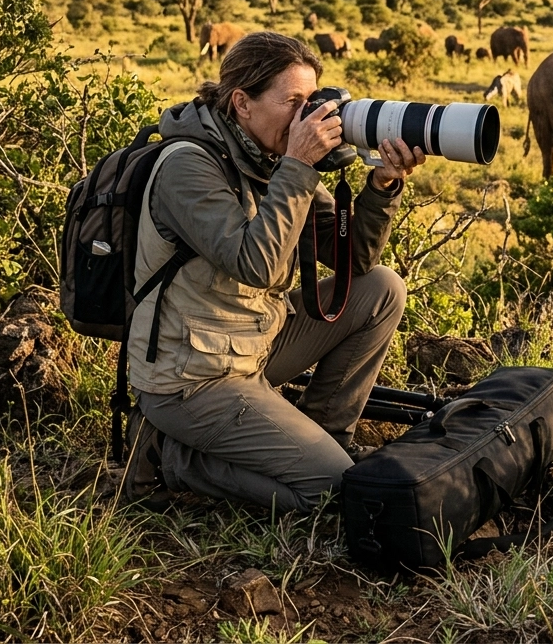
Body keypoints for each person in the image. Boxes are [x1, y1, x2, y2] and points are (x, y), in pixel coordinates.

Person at [123, 31, 425, 512]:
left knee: (382, 288)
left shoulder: (269, 157)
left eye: (312, 100)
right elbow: (255, 264)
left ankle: (327, 436)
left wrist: (382, 184)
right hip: (191, 379)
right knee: (335, 490)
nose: (307, 116)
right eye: (294, 102)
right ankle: (171, 457)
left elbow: (357, 262)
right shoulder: (188, 167)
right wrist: (299, 165)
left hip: (256, 346)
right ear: (242, 103)